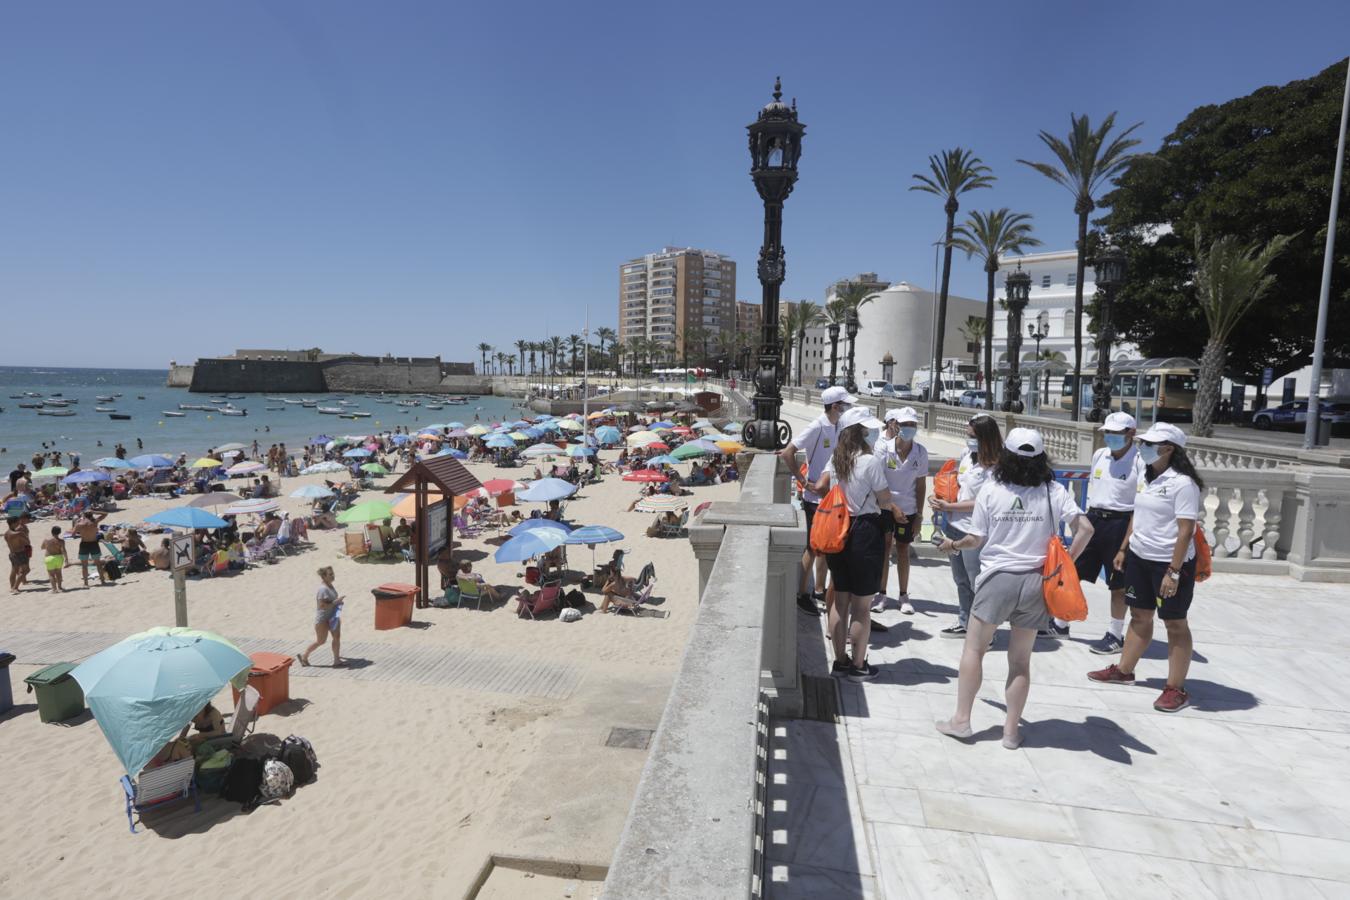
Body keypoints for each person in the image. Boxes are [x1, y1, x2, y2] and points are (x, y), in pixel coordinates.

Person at [934, 428, 1093, 748]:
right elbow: (1085, 528)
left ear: (1005, 455)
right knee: (1020, 661)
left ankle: (962, 721)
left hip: (998, 578)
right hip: (1036, 582)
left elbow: (975, 539)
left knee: (974, 650)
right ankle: (1010, 732)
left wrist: (953, 544)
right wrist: (1065, 563)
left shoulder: (992, 489)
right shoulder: (1053, 490)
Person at [1089, 422, 1205, 713]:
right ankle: (1124, 670)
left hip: (1169, 562)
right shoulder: (1145, 474)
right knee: (1139, 614)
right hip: (1139, 556)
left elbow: (1185, 531)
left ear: (1169, 449)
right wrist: (1124, 548)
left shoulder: (1183, 483)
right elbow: (1136, 514)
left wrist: (1174, 571)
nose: (1143, 447)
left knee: (1175, 623)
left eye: (1150, 444)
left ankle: (1175, 688)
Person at [809, 406, 894, 682]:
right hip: (865, 531)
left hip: (839, 531)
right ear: (860, 433)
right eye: (867, 429)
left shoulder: (836, 460)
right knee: (862, 607)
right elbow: (883, 501)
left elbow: (823, 487)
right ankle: (859, 665)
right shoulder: (870, 462)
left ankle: (840, 661)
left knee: (839, 601)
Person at [1060, 412, 1143, 652]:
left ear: (1131, 434)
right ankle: (1061, 622)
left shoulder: (1139, 461)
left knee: (1117, 584)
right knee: (1072, 571)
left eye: (1116, 433)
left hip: (1121, 522)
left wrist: (1124, 546)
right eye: (1108, 433)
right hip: (1095, 518)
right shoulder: (1100, 455)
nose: (1111, 438)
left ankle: (1115, 635)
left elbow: (1140, 505)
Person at [779, 385, 855, 617]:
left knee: (827, 548)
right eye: (845, 405)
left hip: (835, 497)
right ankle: (802, 594)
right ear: (835, 406)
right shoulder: (817, 426)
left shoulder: (840, 427)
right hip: (815, 499)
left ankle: (819, 590)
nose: (849, 408)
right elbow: (787, 452)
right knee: (813, 548)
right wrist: (803, 480)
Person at [928, 414, 1002, 638]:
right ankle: (964, 621)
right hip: (954, 524)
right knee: (960, 579)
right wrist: (940, 498)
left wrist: (951, 505)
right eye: (968, 436)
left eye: (972, 436)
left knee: (976, 581)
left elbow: (983, 502)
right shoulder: (967, 456)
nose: (969, 440)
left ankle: (985, 629)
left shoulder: (997, 465)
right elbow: (959, 487)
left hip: (975, 530)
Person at [871, 407, 929, 615]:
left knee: (903, 551)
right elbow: (877, 481)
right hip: (886, 508)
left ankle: (903, 595)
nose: (909, 429)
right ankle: (881, 593)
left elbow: (921, 485)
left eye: (912, 425)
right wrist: (892, 507)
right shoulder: (883, 449)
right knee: (885, 549)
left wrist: (919, 516)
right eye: (905, 425)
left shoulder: (920, 452)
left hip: (909, 510)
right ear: (896, 426)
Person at [299, 566, 345, 667]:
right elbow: (322, 605)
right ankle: (304, 656)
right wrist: (335, 602)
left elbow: (331, 602)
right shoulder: (323, 589)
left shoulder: (330, 585)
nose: (333, 576)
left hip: (333, 617)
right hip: (323, 619)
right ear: (324, 576)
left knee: (336, 637)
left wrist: (338, 603)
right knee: (321, 641)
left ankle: (336, 660)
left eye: (333, 573)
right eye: (330, 574)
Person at [74, 510, 109, 587]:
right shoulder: (95, 522)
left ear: (84, 516)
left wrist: (77, 523)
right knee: (98, 564)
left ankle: (86, 584)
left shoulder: (80, 524)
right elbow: (105, 513)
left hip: (84, 544)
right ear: (91, 515)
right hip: (94, 543)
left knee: (84, 565)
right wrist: (95, 511)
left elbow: (73, 534)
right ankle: (103, 581)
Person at [5, 514, 31, 594]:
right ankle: (15, 587)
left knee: (13, 571)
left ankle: (12, 587)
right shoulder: (18, 533)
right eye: (17, 522)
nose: (18, 523)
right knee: (25, 570)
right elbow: (27, 542)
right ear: (13, 523)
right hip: (20, 553)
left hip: (12, 554)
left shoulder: (7, 533)